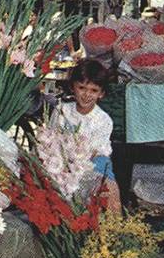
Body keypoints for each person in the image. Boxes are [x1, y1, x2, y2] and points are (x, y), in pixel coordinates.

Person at [50, 59, 122, 213]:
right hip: (61, 161)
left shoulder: (103, 120)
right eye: (81, 88)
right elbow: (52, 138)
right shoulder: (61, 110)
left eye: (94, 90)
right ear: (72, 87)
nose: (87, 94)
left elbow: (94, 152)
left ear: (101, 93)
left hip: (95, 164)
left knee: (109, 198)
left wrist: (74, 169)